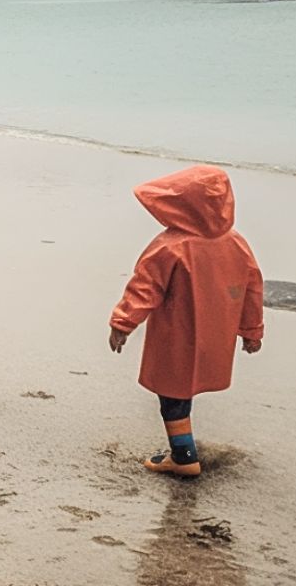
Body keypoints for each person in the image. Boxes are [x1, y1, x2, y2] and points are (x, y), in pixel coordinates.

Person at [108, 165, 263, 478]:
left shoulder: (170, 246)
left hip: (177, 336)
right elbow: (252, 289)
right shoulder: (236, 244)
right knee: (184, 391)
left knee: (173, 394)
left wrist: (122, 323)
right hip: (216, 337)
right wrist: (251, 331)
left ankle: (183, 456)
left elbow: (144, 288)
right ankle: (183, 449)